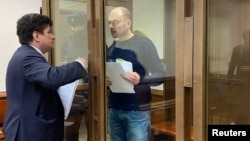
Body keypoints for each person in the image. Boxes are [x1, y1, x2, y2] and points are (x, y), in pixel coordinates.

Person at [2, 13, 88, 141]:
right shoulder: (28, 57)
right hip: (29, 132)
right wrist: (79, 65)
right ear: (36, 36)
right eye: (49, 32)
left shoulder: (25, 54)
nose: (53, 37)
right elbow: (52, 77)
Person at [106, 7, 166, 141]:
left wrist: (141, 80)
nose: (111, 26)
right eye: (109, 22)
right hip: (114, 109)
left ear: (128, 23)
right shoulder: (112, 48)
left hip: (137, 110)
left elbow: (160, 74)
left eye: (115, 22)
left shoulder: (143, 44)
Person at [61, 11, 89, 141]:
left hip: (91, 91)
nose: (74, 29)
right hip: (73, 91)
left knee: (94, 127)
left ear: (84, 24)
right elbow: (62, 63)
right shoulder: (67, 42)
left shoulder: (94, 41)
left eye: (78, 25)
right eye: (72, 26)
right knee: (72, 130)